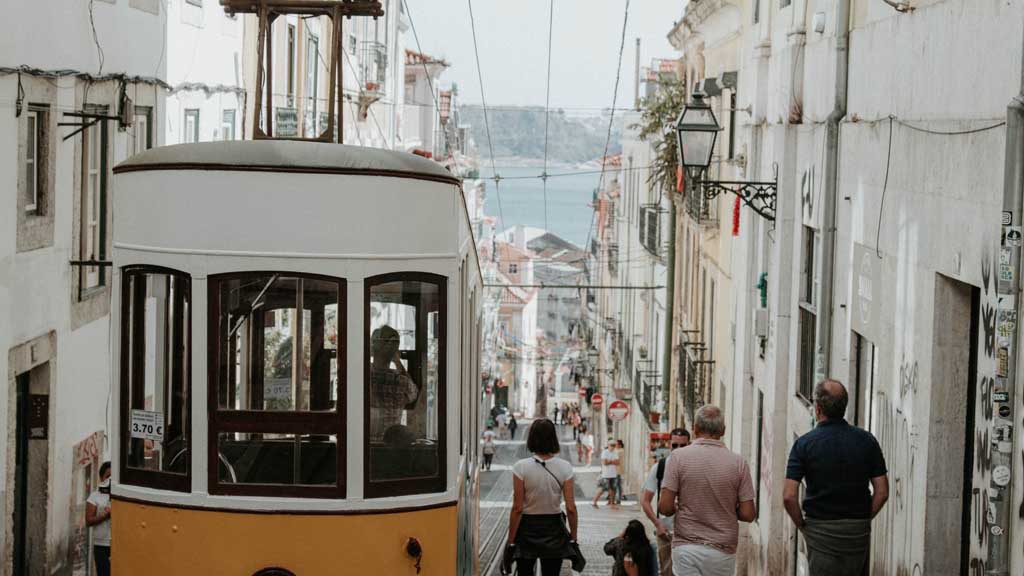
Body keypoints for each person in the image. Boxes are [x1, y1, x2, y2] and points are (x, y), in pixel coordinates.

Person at [784, 380, 889, 576]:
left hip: (819, 531)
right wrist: (863, 518)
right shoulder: (867, 441)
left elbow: (789, 496)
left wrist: (803, 526)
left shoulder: (804, 445)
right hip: (857, 533)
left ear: (818, 409)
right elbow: (882, 492)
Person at [658, 405, 756, 576]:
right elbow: (748, 514)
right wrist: (727, 509)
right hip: (722, 550)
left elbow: (665, 507)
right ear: (723, 430)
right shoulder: (738, 463)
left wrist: (679, 507)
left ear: (695, 429)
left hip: (686, 548)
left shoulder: (677, 458)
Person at [507, 419, 579, 576]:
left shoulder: (520, 467)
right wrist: (573, 538)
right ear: (554, 438)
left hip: (527, 528)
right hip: (553, 528)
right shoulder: (565, 467)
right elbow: (571, 508)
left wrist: (511, 541)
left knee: (524, 573)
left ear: (531, 438)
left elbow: (518, 508)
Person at [641, 428, 690, 576]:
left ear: (690, 445)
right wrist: (658, 524)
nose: (678, 449)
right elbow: (645, 500)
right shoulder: (660, 467)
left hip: (691, 533)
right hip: (666, 533)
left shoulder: (696, 467)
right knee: (667, 572)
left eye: (683, 446)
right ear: (669, 445)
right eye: (675, 445)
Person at [369, 325, 420, 441]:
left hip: (363, 444)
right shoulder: (402, 382)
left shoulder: (363, 376)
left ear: (372, 349)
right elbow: (414, 394)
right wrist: (397, 361)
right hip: (391, 446)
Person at [86, 461, 113, 576]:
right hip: (101, 544)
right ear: (102, 477)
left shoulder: (121, 495)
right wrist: (104, 516)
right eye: (107, 476)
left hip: (118, 543)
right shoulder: (94, 496)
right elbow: (89, 521)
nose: (110, 480)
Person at [593, 438, 621, 508]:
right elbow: (604, 462)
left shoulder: (615, 452)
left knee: (613, 489)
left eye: (614, 445)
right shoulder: (605, 452)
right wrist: (612, 461)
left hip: (613, 474)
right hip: (606, 474)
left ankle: (611, 503)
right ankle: (595, 501)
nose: (613, 447)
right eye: (611, 445)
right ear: (608, 445)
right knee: (603, 489)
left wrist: (610, 461)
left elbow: (617, 462)